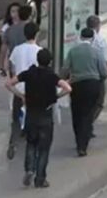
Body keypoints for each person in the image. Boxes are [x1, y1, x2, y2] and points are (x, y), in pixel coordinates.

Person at [6, 49, 71, 188]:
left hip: (31, 115)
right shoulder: (51, 76)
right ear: (50, 62)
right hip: (45, 116)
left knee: (31, 144)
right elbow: (68, 88)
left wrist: (21, 95)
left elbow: (9, 84)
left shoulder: (29, 73)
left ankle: (29, 169)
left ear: (37, 59)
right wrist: (55, 98)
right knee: (44, 149)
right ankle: (40, 178)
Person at [62, 28, 107, 157]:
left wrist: (64, 79)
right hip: (93, 85)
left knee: (77, 113)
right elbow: (104, 72)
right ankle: (83, 145)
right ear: (92, 38)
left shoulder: (72, 51)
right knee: (88, 114)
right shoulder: (96, 52)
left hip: (77, 85)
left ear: (80, 37)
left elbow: (65, 69)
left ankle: (78, 141)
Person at [3, 5, 34, 160]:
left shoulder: (10, 31)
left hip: (18, 77)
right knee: (31, 110)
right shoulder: (32, 39)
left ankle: (12, 141)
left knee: (16, 110)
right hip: (31, 80)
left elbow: (6, 53)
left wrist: (7, 70)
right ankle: (26, 132)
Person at [86, 15, 107, 137]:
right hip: (97, 77)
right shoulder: (100, 40)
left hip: (81, 76)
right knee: (98, 102)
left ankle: (85, 123)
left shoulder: (80, 38)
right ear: (98, 26)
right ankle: (88, 123)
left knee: (85, 103)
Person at [0, 2, 21, 76]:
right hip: (14, 59)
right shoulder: (7, 28)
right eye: (13, 11)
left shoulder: (26, 25)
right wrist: (1, 66)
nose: (15, 13)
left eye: (17, 11)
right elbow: (3, 47)